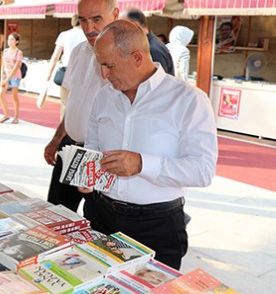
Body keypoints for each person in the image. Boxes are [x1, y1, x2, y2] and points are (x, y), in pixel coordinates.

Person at [83, 20, 217, 269]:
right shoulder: (103, 97)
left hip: (156, 223)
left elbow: (202, 171)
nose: (104, 74)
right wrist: (87, 173)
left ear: (136, 58)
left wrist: (142, 164)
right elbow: (93, 143)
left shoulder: (188, 100)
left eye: (108, 65)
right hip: (100, 213)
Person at [43, 0, 118, 212]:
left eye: (97, 19)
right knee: (56, 215)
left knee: (96, 222)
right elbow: (74, 103)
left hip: (100, 154)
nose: (88, 28)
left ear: (115, 13)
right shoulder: (78, 51)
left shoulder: (124, 56)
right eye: (83, 20)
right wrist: (57, 138)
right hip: (71, 147)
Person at [45, 14, 87, 119]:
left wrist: (49, 73)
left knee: (64, 104)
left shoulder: (64, 35)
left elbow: (55, 56)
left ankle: (63, 131)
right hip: (83, 73)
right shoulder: (87, 35)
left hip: (66, 71)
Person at [119, 7, 174, 75]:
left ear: (136, 25)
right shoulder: (145, 45)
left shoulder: (153, 50)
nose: (120, 32)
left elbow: (156, 82)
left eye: (123, 27)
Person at [0, 32, 23, 124]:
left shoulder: (18, 52)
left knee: (14, 96)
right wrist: (2, 78)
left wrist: (7, 79)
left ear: (16, 41)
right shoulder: (5, 51)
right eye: (9, 39)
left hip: (15, 76)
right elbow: (3, 65)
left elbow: (16, 67)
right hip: (5, 75)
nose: (9, 41)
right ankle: (6, 114)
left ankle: (16, 117)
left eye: (12, 39)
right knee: (1, 94)